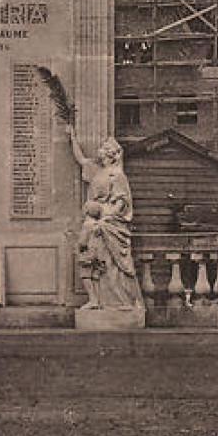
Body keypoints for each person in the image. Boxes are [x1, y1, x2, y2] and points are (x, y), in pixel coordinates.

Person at [67, 126, 144, 310]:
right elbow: (80, 159)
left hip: (108, 224)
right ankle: (94, 300)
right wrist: (72, 137)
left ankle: (122, 301)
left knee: (109, 264)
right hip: (92, 223)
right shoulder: (96, 170)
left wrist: (105, 216)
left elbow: (121, 202)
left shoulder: (117, 175)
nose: (99, 150)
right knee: (86, 261)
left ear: (110, 154)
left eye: (103, 148)